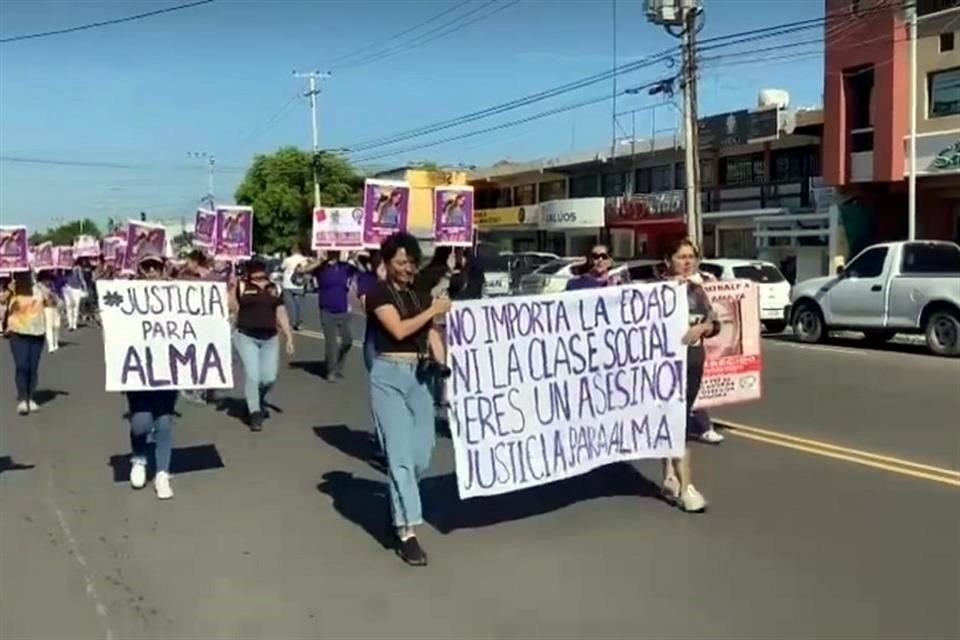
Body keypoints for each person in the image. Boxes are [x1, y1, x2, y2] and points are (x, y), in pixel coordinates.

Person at [366, 232, 450, 566]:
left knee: (421, 456)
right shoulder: (377, 294)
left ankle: (398, 505)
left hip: (420, 378)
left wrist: (443, 368)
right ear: (387, 263)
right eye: (400, 262)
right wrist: (434, 308)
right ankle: (407, 532)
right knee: (399, 457)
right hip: (389, 377)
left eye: (411, 262)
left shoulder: (418, 295)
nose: (406, 268)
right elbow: (399, 330)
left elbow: (431, 333)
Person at [660, 237, 718, 513]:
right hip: (666, 367)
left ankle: (670, 477)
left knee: (677, 418)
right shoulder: (657, 291)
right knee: (677, 420)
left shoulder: (697, 290)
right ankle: (686, 487)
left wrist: (703, 328)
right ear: (668, 260)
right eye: (681, 256)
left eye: (691, 257)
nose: (687, 262)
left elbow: (714, 321)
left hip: (694, 361)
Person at [126, 255, 179, 499]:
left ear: (162, 268)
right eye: (146, 266)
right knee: (141, 423)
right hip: (138, 369)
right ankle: (138, 459)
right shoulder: (127, 293)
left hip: (169, 367)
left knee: (164, 422)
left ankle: (162, 473)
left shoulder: (176, 293)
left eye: (155, 266)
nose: (150, 271)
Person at [229, 257, 295, 431]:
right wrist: (232, 289)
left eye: (260, 268)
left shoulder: (274, 288)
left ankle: (256, 399)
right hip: (245, 336)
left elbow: (280, 311)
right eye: (253, 269)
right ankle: (254, 412)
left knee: (269, 378)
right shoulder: (242, 286)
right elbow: (231, 307)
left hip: (270, 338)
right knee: (253, 376)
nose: (257, 272)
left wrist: (288, 335)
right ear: (249, 271)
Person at [5, 271, 50, 415]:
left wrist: (49, 294)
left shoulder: (40, 289)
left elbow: (54, 303)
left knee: (32, 367)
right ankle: (23, 398)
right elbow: (6, 305)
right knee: (22, 365)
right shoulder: (12, 289)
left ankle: (31, 397)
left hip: (37, 332)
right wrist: (9, 294)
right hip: (18, 332)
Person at [307, 251, 356, 382]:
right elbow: (303, 271)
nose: (334, 253)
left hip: (343, 309)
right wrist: (320, 261)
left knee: (348, 340)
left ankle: (337, 364)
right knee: (331, 343)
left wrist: (355, 254)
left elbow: (363, 268)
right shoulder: (321, 268)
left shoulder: (345, 267)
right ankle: (331, 370)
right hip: (326, 309)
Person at [280, 244, 309, 331]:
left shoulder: (288, 260)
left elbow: (282, 267)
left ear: (292, 251)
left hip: (288, 284)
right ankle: (298, 323)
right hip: (299, 284)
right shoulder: (304, 260)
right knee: (299, 305)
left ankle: (291, 323)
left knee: (289, 305)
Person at [37, 271, 61, 353]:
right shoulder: (39, 287)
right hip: (46, 309)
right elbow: (39, 299)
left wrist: (54, 296)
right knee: (49, 327)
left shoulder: (52, 285)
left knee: (56, 325)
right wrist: (46, 296)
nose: (48, 281)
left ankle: (55, 342)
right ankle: (51, 345)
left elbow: (56, 295)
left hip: (54, 307)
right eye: (46, 279)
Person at [63, 260, 87, 331]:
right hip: (68, 288)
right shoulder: (65, 267)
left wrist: (84, 287)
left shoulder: (77, 268)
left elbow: (81, 278)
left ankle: (74, 324)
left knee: (75, 306)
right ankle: (71, 324)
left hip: (76, 289)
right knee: (69, 306)